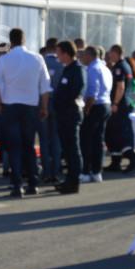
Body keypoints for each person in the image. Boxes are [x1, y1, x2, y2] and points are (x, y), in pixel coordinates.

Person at [0, 28, 51, 198]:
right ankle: (33, 183)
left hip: (11, 107)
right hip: (30, 107)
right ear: (24, 39)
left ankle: (16, 185)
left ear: (11, 41)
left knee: (13, 147)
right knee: (29, 146)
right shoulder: (37, 58)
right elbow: (45, 87)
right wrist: (44, 107)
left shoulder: (4, 60)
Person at [52, 40, 86, 194]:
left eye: (59, 53)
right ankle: (69, 180)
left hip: (70, 114)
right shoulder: (67, 69)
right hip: (63, 114)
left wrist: (61, 102)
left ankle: (74, 181)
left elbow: (75, 91)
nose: (57, 56)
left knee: (73, 149)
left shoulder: (77, 70)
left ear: (66, 53)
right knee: (67, 149)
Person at [105, 44, 135, 172]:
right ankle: (115, 162)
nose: (109, 56)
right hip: (125, 104)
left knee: (119, 134)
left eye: (110, 53)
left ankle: (133, 159)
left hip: (120, 106)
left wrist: (115, 103)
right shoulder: (126, 66)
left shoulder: (119, 67)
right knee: (114, 133)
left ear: (116, 53)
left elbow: (120, 87)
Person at [79, 46, 112, 183]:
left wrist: (87, 108)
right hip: (105, 105)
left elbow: (93, 90)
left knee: (87, 140)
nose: (82, 58)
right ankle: (97, 171)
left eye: (84, 55)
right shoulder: (105, 68)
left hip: (95, 106)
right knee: (98, 140)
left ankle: (86, 171)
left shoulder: (92, 69)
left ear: (89, 55)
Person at [37, 39, 62, 183]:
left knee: (44, 139)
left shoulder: (40, 62)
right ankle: (56, 170)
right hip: (57, 104)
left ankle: (46, 170)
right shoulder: (62, 64)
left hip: (42, 103)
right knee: (56, 139)